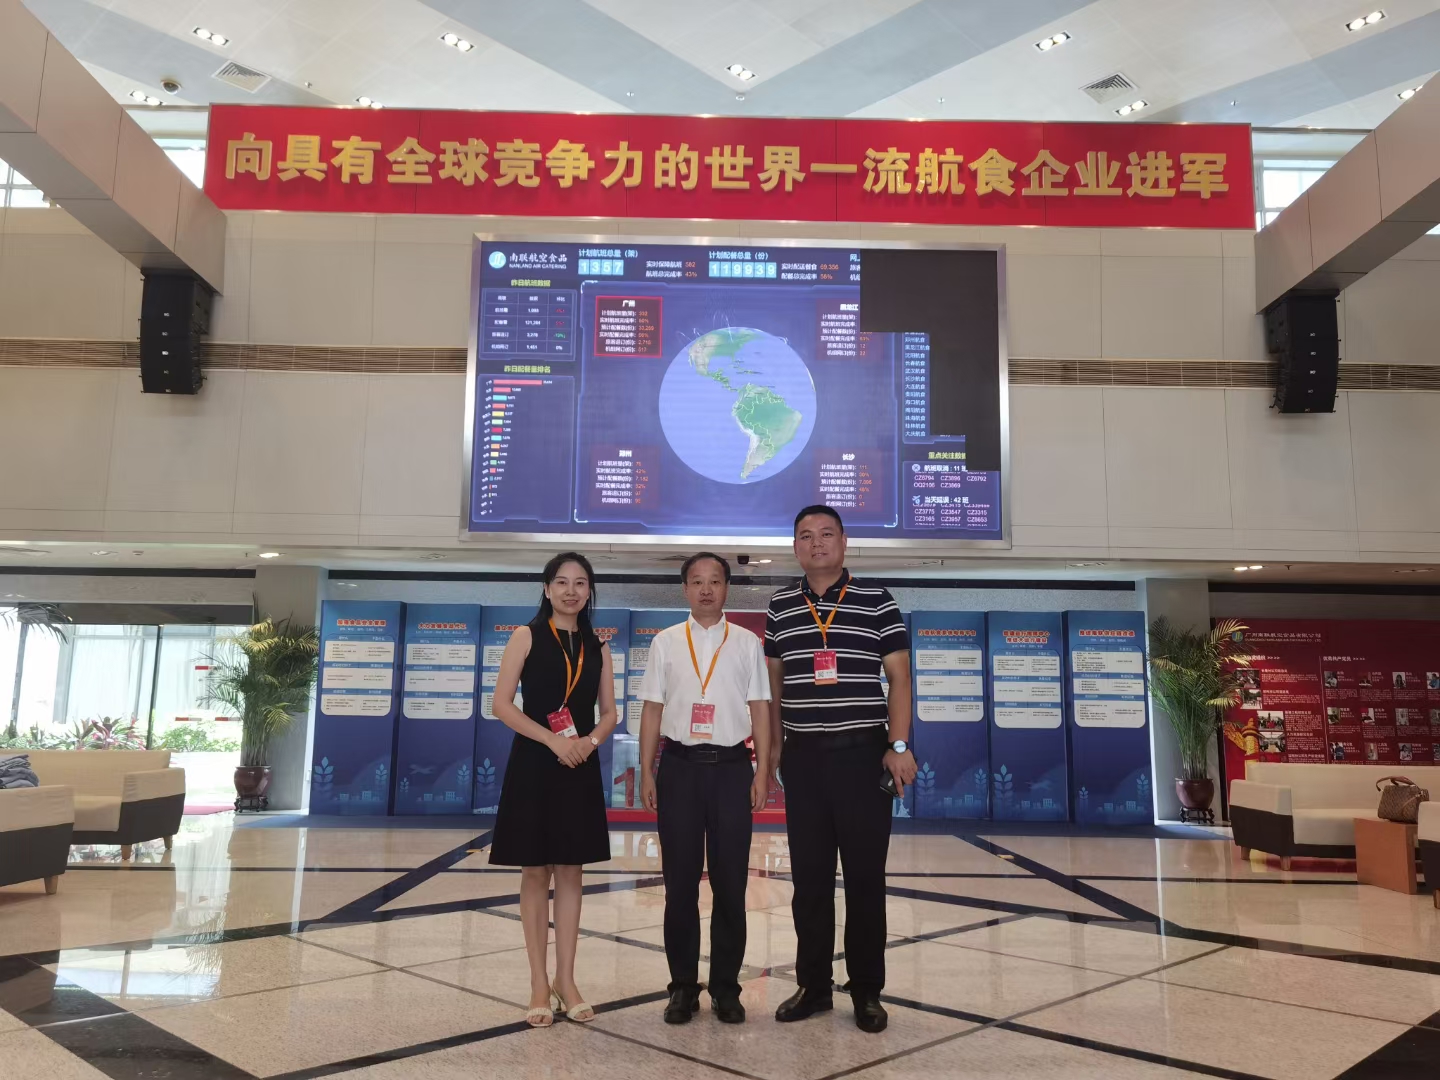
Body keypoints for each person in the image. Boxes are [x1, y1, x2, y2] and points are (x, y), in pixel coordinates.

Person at [765, 505, 914, 1034]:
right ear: (795, 548)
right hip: (804, 758)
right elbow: (773, 685)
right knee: (808, 880)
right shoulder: (781, 605)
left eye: (826, 534)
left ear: (844, 542)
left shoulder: (877, 600)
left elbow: (899, 678)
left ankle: (867, 990)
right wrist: (774, 749)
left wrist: (898, 744)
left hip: (862, 757)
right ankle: (813, 986)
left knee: (865, 878)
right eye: (806, 535)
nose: (817, 543)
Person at [639, 552, 771, 1026]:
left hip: (732, 769)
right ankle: (682, 987)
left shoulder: (748, 643)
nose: (706, 589)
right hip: (679, 768)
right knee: (679, 886)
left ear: (727, 588)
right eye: (697, 581)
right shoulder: (666, 642)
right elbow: (652, 708)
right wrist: (647, 770)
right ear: (685, 589)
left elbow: (760, 707)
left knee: (731, 884)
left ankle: (726, 989)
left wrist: (762, 771)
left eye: (715, 580)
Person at [489, 552, 618, 1028]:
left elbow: (610, 712)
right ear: (546, 589)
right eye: (561, 582)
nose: (571, 591)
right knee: (534, 871)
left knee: (570, 870)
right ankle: (538, 984)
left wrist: (589, 742)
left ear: (589, 591)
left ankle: (567, 979)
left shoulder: (598, 646)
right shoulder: (525, 636)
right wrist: (552, 740)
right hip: (535, 763)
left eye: (580, 583)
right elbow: (502, 704)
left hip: (578, 764)